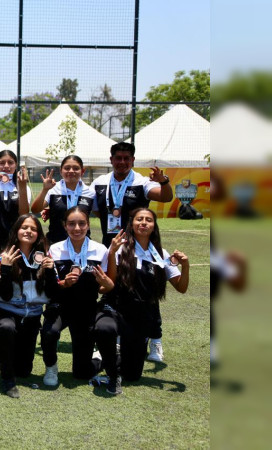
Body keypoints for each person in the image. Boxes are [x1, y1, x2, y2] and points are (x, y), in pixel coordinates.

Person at [95, 208, 189, 395]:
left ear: (154, 226)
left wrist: (185, 266)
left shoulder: (161, 254)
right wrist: (112, 254)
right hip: (115, 308)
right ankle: (104, 357)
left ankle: (105, 359)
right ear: (132, 224)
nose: (144, 223)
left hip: (139, 317)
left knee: (132, 375)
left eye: (148, 220)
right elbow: (110, 282)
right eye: (139, 219)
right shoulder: (119, 248)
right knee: (104, 328)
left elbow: (181, 287)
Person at [92, 142, 172, 361]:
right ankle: (116, 337)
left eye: (127, 158)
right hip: (113, 245)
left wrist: (164, 181)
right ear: (111, 160)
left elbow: (165, 197)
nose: (122, 162)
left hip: (141, 246)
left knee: (147, 291)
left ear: (133, 160)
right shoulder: (99, 182)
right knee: (116, 291)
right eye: (118, 158)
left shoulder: (141, 182)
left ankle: (155, 339)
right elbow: (95, 210)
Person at [41, 206, 113, 387]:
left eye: (81, 223)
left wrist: (105, 284)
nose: (77, 228)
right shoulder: (55, 250)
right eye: (71, 224)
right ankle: (51, 367)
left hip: (86, 309)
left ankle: (97, 358)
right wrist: (64, 283)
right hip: (60, 306)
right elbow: (50, 285)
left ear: (88, 225)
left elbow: (105, 287)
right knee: (49, 332)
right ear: (64, 226)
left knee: (82, 373)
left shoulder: (100, 250)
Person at [0, 215, 56, 398]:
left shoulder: (44, 258)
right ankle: (7, 380)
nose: (28, 231)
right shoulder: (5, 256)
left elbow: (52, 293)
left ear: (39, 234)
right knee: (6, 328)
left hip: (33, 315)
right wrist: (4, 268)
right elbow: (3, 294)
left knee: (24, 370)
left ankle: (4, 356)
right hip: (8, 312)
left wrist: (50, 272)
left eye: (33, 229)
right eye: (24, 227)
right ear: (16, 231)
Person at [30, 155, 97, 244]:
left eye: (76, 168)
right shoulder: (53, 189)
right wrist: (45, 189)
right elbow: (35, 210)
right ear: (61, 171)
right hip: (55, 243)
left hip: (82, 244)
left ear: (82, 171)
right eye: (67, 168)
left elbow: (98, 212)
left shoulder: (90, 192)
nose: (71, 171)